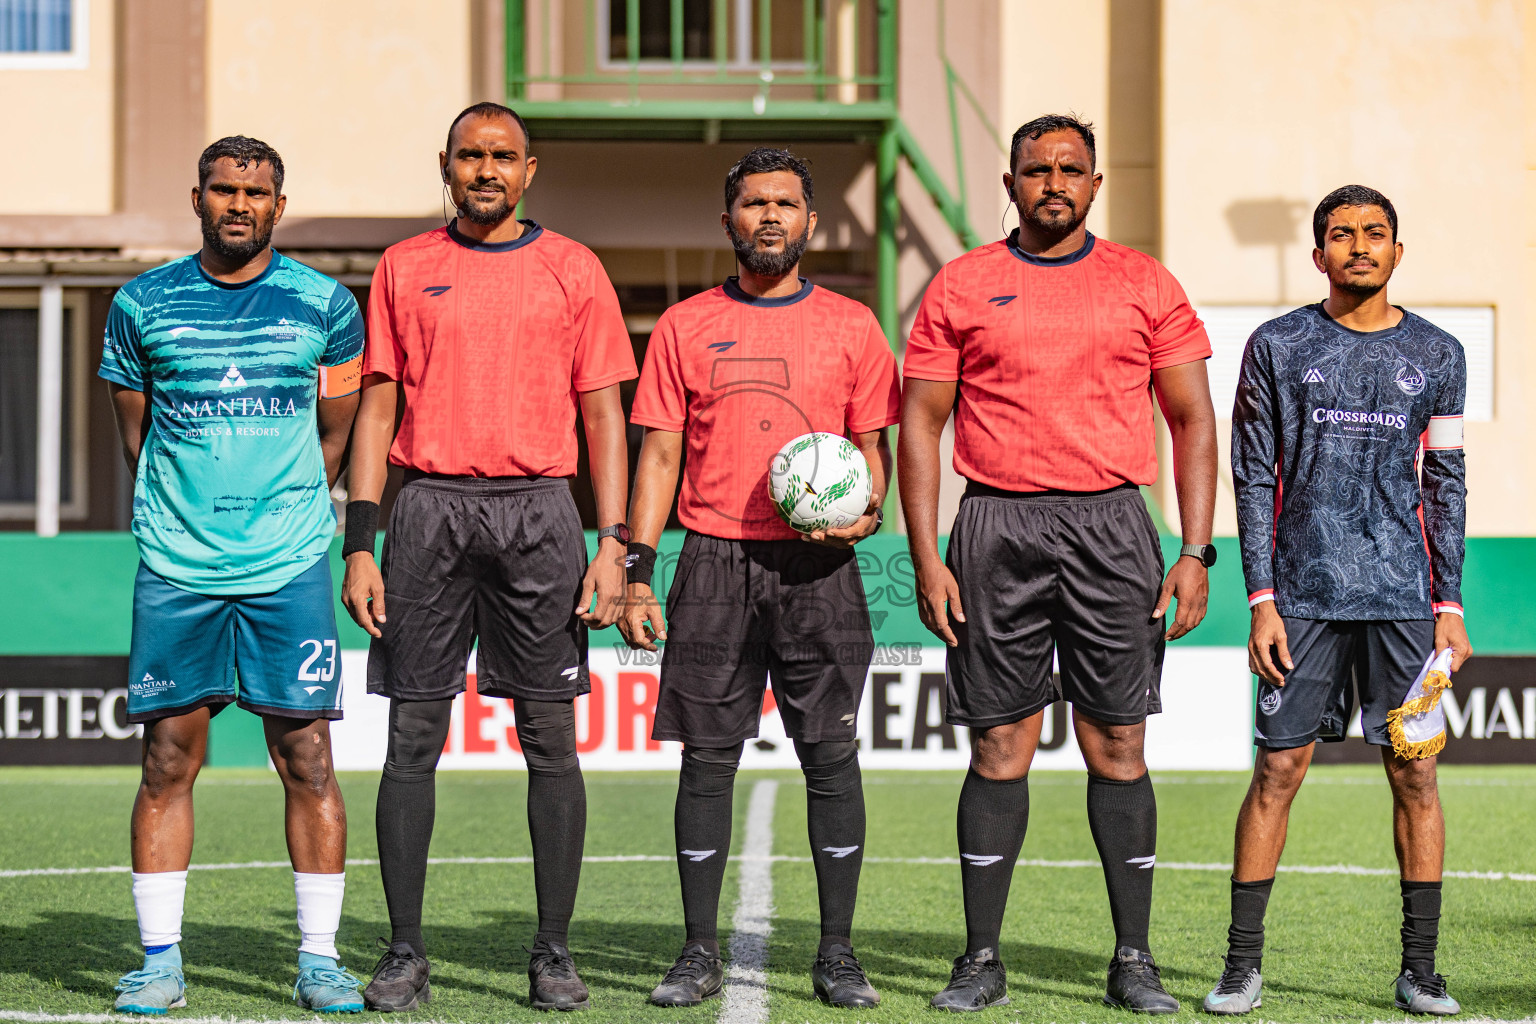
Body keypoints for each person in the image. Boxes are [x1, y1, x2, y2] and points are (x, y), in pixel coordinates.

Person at [900, 113, 1218, 1013]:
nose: (1052, 183)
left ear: (1094, 184)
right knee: (1001, 743)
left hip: (1114, 527)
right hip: (995, 524)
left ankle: (1134, 959)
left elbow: (1193, 419)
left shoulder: (1144, 283)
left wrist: (1194, 550)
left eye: (1070, 169)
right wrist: (927, 555)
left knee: (1117, 742)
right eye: (1035, 170)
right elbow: (920, 423)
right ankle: (980, 958)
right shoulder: (962, 284)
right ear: (1009, 186)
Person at [342, 101, 635, 1013]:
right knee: (412, 739)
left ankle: (552, 952)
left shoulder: (572, 267)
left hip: (542, 514)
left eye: (502, 156)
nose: (485, 170)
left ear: (529, 169)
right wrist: (360, 540)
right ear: (446, 164)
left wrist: (614, 542)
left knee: (550, 739)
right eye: (470, 155)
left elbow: (603, 418)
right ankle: (404, 952)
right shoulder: (404, 266)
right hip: (427, 511)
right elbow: (377, 409)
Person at [618, 147, 900, 1010]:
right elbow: (659, 452)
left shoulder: (854, 327)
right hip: (710, 559)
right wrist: (637, 570)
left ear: (811, 222)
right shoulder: (683, 325)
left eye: (785, 204)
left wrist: (868, 512)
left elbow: (872, 454)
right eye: (753, 204)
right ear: (728, 220)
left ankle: (839, 953)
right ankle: (699, 950)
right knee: (707, 760)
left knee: (831, 757)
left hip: (821, 564)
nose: (769, 216)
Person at [101, 136, 367, 1014]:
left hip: (287, 564)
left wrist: (277, 504)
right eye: (223, 189)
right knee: (166, 759)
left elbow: (335, 433)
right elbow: (137, 436)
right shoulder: (140, 304)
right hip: (177, 566)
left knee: (309, 758)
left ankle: (321, 959)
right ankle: (159, 961)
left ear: (278, 206)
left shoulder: (326, 305)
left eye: (255, 191)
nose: (238, 204)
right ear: (198, 197)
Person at [1205, 185, 1471, 1017]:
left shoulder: (1441, 353)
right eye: (1342, 236)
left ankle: (1420, 971)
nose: (1360, 246)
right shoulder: (1278, 346)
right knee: (1278, 771)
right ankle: (1242, 967)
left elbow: (1448, 480)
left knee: (1416, 776)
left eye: (1376, 234)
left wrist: (1450, 605)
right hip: (1305, 598)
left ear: (1398, 251)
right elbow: (1251, 473)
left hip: (1402, 600)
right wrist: (1261, 596)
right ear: (1319, 255)